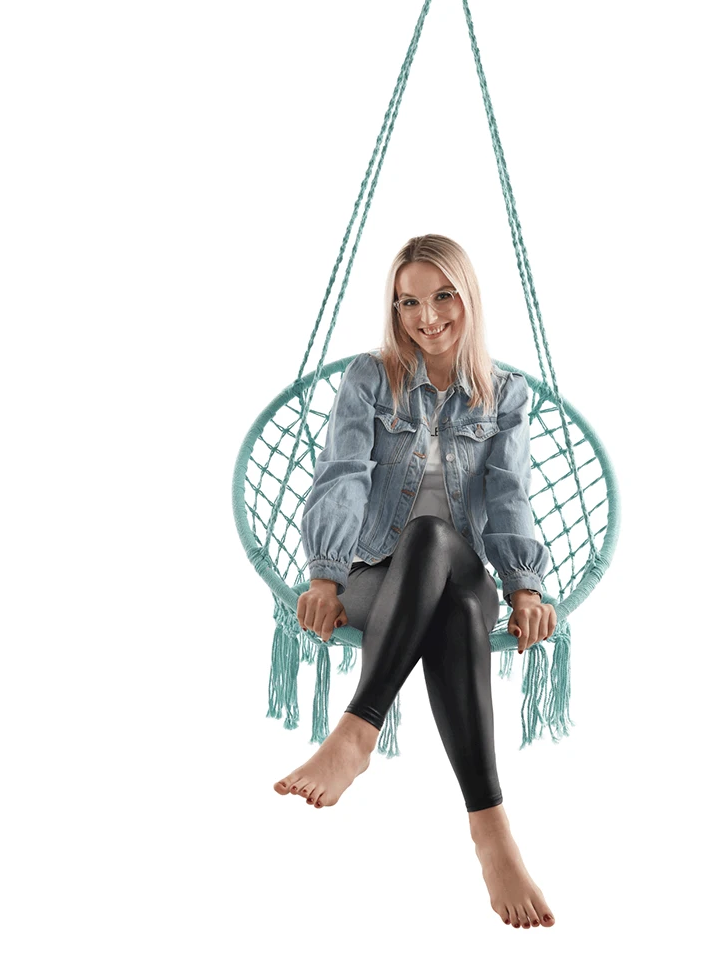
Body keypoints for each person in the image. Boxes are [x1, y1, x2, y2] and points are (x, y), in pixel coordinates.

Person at [274, 234, 557, 929]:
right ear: (394, 308)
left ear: (468, 297)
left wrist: (524, 587)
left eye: (442, 296)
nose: (426, 317)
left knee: (436, 539)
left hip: (463, 564)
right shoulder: (371, 380)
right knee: (455, 611)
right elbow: (342, 475)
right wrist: (325, 575)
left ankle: (356, 732)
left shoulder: (506, 395)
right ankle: (491, 830)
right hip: (376, 574)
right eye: (408, 302)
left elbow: (510, 493)